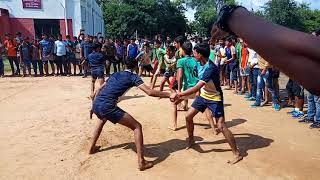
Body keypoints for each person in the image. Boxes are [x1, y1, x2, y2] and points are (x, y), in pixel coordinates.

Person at [211, 5, 320, 95]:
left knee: (268, 86)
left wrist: (229, 18)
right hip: (253, 65)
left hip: (261, 68)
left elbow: (302, 49)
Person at [89, 58, 176, 171]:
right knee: (137, 126)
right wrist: (169, 94)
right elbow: (149, 92)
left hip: (97, 103)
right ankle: (141, 162)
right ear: (136, 67)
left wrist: (93, 105)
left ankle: (91, 148)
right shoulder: (133, 77)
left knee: (102, 119)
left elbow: (99, 88)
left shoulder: (116, 73)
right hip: (107, 105)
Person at [171, 42, 242, 164]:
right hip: (203, 96)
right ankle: (192, 140)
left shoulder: (210, 68)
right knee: (188, 116)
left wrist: (179, 94)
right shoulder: (198, 64)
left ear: (200, 54)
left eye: (195, 53)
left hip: (215, 98)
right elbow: (196, 84)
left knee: (221, 126)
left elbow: (197, 86)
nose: (193, 55)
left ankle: (237, 153)